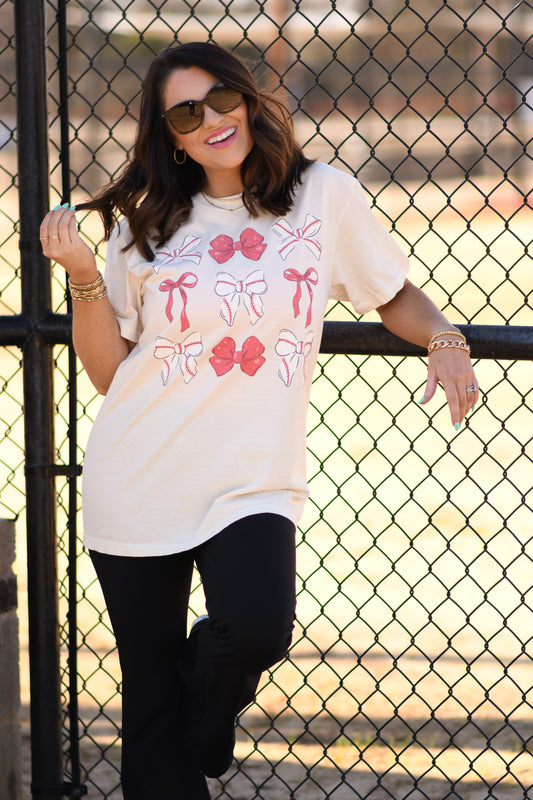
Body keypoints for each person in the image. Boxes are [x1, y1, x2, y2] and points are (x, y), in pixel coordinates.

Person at [40, 41, 478, 800]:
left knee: (257, 625)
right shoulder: (140, 221)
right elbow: (112, 372)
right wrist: (83, 276)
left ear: (246, 99)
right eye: (186, 112)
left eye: (220, 99)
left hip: (251, 479)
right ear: (168, 134)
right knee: (149, 716)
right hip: (138, 477)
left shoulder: (320, 195)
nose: (210, 119)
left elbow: (389, 290)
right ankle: (181, 724)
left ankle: (202, 713)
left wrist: (444, 338)